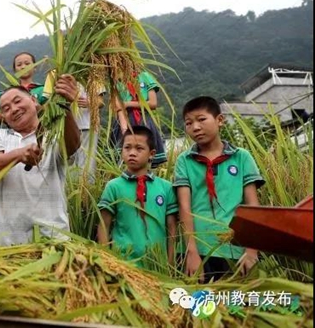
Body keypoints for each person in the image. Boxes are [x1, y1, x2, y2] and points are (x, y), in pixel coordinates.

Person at [0, 74, 81, 247]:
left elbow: (71, 147)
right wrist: (19, 154)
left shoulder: (54, 134)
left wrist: (65, 105)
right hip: (4, 242)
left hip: (50, 239)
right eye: (5, 108)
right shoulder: (0, 136)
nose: (13, 109)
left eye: (18, 101)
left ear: (34, 100)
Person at [174, 96, 264, 283]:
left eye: (201, 119)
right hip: (198, 251)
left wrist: (252, 250)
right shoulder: (184, 160)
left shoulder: (241, 157)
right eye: (189, 123)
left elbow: (253, 206)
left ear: (220, 120)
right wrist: (191, 252)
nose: (195, 127)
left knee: (237, 307)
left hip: (235, 250)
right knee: (201, 307)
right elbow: (185, 207)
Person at [97, 126, 178, 266]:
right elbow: (104, 225)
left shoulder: (165, 187)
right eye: (127, 147)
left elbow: (172, 228)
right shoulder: (114, 186)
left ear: (151, 154)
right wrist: (107, 261)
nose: (132, 153)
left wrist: (170, 262)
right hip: (124, 265)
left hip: (158, 266)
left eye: (139, 148)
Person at [112, 70, 167, 168]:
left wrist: (127, 104)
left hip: (144, 121)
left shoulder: (144, 76)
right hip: (125, 122)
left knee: (145, 154)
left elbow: (153, 103)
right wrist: (124, 130)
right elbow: (118, 108)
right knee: (124, 158)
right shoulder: (117, 80)